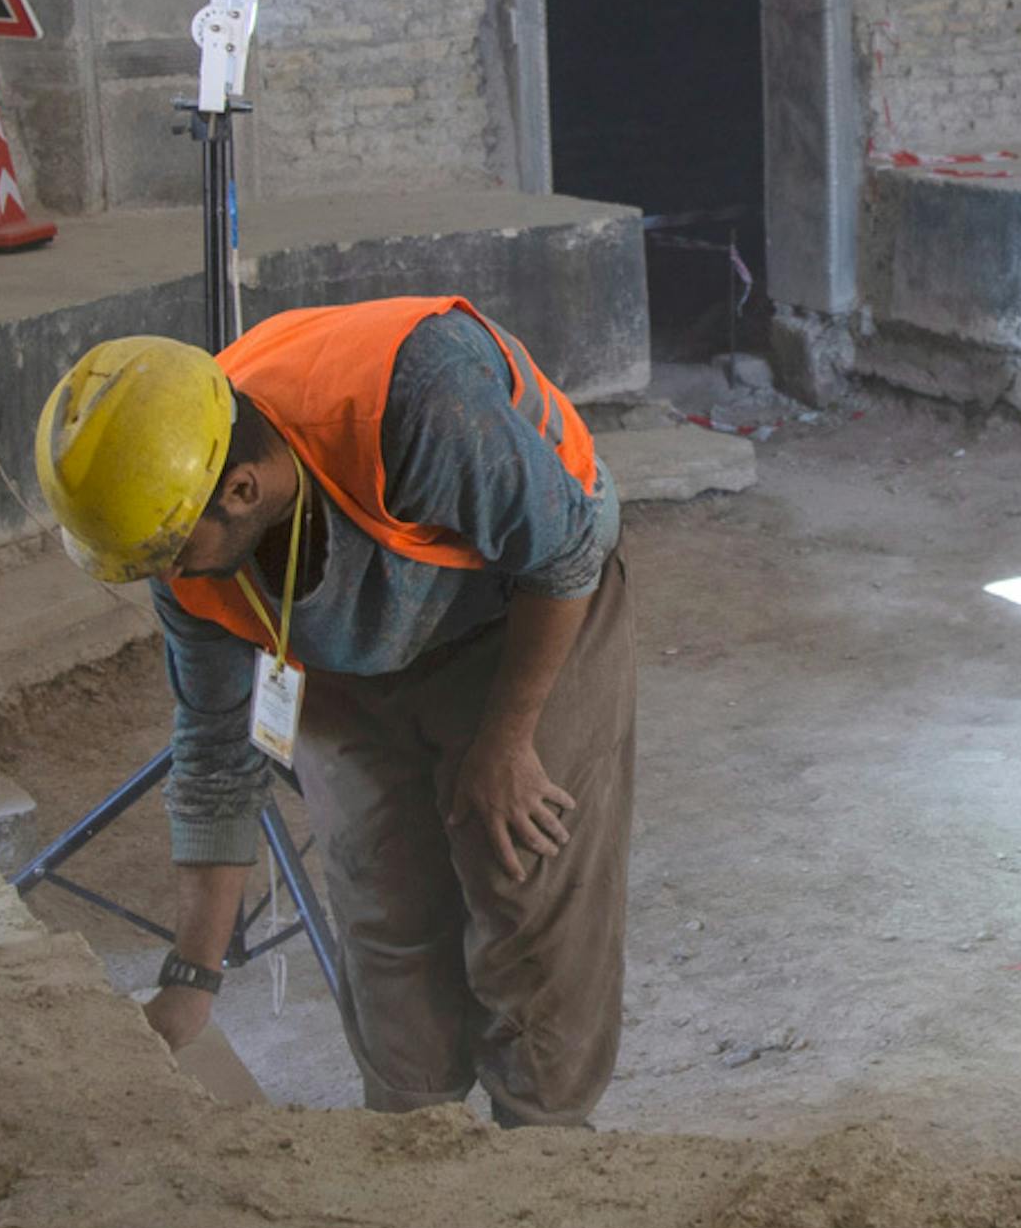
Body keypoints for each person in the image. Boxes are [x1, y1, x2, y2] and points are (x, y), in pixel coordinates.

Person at [33, 296, 630, 1128]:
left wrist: (506, 741)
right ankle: (413, 1149)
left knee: (521, 886)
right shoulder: (185, 523)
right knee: (378, 895)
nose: (160, 578)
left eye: (168, 555)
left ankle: (543, 1158)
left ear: (241, 488)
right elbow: (214, 751)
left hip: (525, 608)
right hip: (341, 641)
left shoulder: (416, 400)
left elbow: (565, 554)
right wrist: (191, 979)